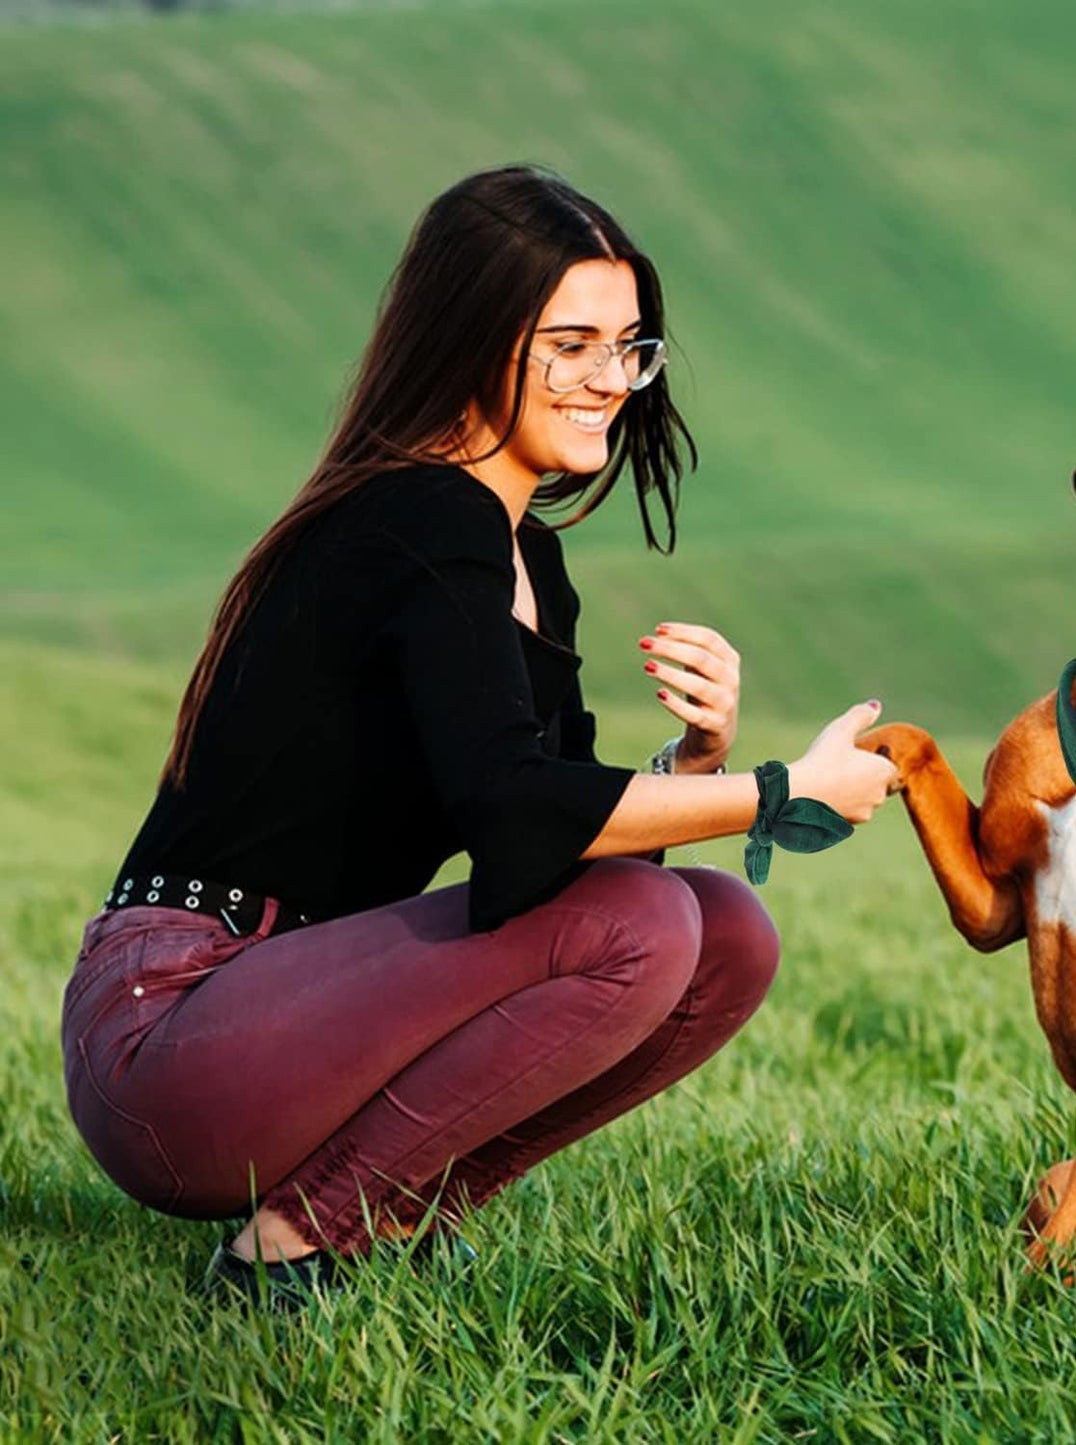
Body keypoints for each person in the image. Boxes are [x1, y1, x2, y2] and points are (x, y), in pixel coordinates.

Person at [59, 165, 897, 1305]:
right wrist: (775, 788)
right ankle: (294, 1246)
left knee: (726, 930)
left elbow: (554, 850)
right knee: (653, 921)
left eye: (630, 346)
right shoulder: (419, 518)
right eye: (571, 345)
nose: (611, 381)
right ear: (472, 340)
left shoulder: (523, 557)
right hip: (177, 1028)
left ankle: (394, 1212)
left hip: (304, 1012)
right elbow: (514, 813)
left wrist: (693, 764)